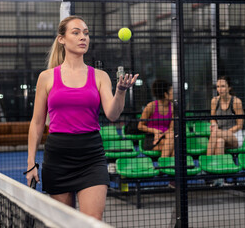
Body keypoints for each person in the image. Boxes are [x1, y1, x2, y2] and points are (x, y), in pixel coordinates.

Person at [25, 15, 138, 220]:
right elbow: (37, 122)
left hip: (91, 155)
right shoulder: (47, 77)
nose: (82, 37)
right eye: (75, 33)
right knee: (63, 223)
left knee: (92, 222)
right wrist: (31, 163)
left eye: (85, 33)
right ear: (62, 39)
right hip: (58, 157)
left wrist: (120, 92)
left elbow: (112, 115)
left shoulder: (100, 76)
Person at [207, 76, 244, 156]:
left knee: (215, 133)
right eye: (218, 87)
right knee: (220, 142)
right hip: (219, 134)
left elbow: (240, 125)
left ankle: (207, 162)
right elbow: (212, 119)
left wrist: (224, 132)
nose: (220, 89)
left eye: (223, 86)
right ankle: (219, 167)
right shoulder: (214, 101)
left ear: (229, 87)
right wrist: (214, 125)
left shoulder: (236, 102)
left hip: (234, 136)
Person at [138, 79, 174, 157]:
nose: (174, 93)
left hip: (166, 137)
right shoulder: (151, 106)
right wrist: (155, 131)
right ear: (165, 94)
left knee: (171, 139)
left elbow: (171, 128)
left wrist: (162, 134)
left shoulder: (173, 108)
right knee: (174, 147)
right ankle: (165, 167)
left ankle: (163, 167)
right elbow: (140, 126)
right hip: (152, 139)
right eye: (171, 91)